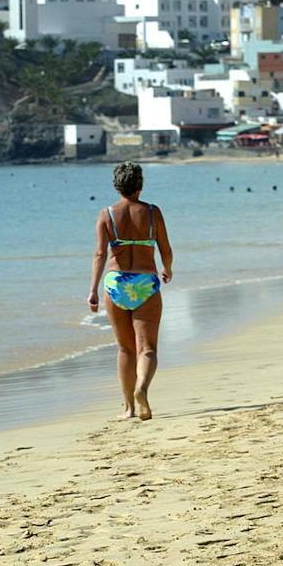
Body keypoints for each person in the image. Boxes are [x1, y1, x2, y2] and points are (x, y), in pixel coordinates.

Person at [88, 162, 173, 420]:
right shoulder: (152, 212)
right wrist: (167, 268)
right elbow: (165, 248)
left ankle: (128, 408)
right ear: (141, 184)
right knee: (147, 349)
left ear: (116, 185)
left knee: (124, 349)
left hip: (116, 282)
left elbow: (100, 254)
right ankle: (142, 388)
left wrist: (93, 290)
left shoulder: (107, 214)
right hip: (145, 281)